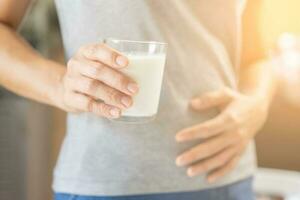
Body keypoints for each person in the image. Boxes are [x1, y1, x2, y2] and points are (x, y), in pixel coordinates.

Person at [0, 0, 276, 199]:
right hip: (113, 183)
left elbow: (256, 54)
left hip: (227, 176)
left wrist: (257, 103)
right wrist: (59, 85)